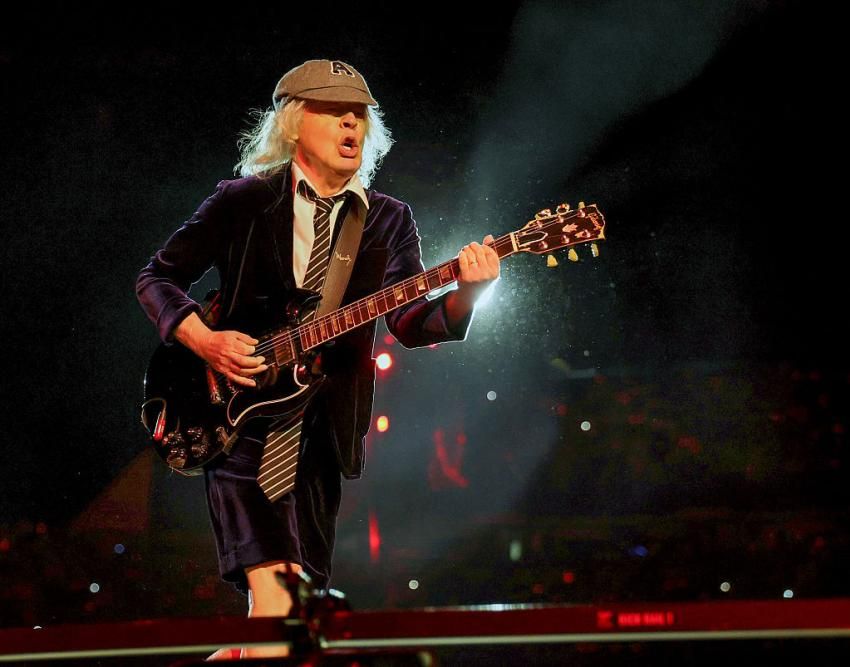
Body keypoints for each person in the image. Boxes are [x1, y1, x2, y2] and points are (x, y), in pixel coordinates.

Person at [136, 59, 499, 659]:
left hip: (323, 433)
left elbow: (410, 323)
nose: (351, 124)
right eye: (334, 111)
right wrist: (204, 340)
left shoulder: (388, 218)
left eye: (359, 114)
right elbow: (157, 277)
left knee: (294, 621)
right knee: (280, 605)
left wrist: (469, 294)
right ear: (294, 122)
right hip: (237, 420)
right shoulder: (244, 200)